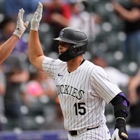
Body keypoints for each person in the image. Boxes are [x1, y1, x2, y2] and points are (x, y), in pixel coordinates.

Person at [28, 2, 129, 140]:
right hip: (72, 135)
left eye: (64, 43)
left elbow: (119, 99)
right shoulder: (58, 67)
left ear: (77, 47)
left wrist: (120, 125)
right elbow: (36, 57)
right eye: (59, 43)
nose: (60, 46)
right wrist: (34, 29)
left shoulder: (92, 72)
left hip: (93, 133)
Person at [111, 0, 140, 65]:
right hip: (127, 33)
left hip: (136, 34)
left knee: (135, 56)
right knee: (127, 56)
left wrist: (118, 8)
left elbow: (131, 17)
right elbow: (122, 17)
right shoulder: (130, 5)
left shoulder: (138, 6)